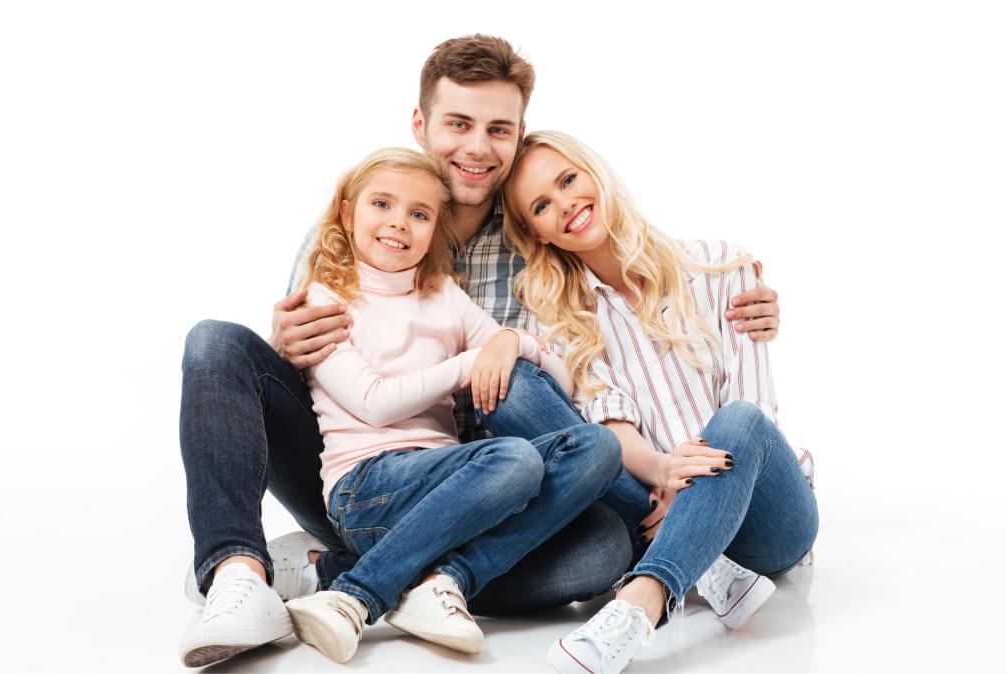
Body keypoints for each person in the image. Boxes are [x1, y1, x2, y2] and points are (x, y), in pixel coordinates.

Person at [177, 34, 783, 667]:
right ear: (421, 124)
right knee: (217, 343)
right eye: (458, 124)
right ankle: (239, 577)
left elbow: (607, 329)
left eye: (498, 129)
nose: (476, 147)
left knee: (603, 548)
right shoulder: (359, 226)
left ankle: (337, 572)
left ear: (518, 136)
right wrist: (283, 348)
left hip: (497, 492)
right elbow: (327, 386)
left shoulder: (537, 240)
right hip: (356, 476)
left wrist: (729, 291)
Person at [269, 147, 620, 665]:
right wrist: (471, 362)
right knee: (515, 459)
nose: (398, 223)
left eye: (419, 214)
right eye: (381, 205)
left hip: (453, 489)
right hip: (365, 488)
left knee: (599, 450)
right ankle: (355, 596)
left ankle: (434, 580)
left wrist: (513, 342)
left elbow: (559, 381)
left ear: (436, 229)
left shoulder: (444, 295)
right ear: (347, 213)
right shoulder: (327, 299)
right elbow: (374, 404)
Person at [501, 130, 819, 674]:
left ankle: (641, 604)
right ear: (537, 232)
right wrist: (662, 469)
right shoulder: (559, 318)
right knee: (566, 426)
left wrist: (690, 489)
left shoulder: (721, 266)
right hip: (651, 504)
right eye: (542, 205)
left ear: (596, 174)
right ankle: (706, 571)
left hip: (764, 522)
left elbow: (753, 409)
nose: (566, 205)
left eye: (569, 180)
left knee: (739, 419)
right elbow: (610, 422)